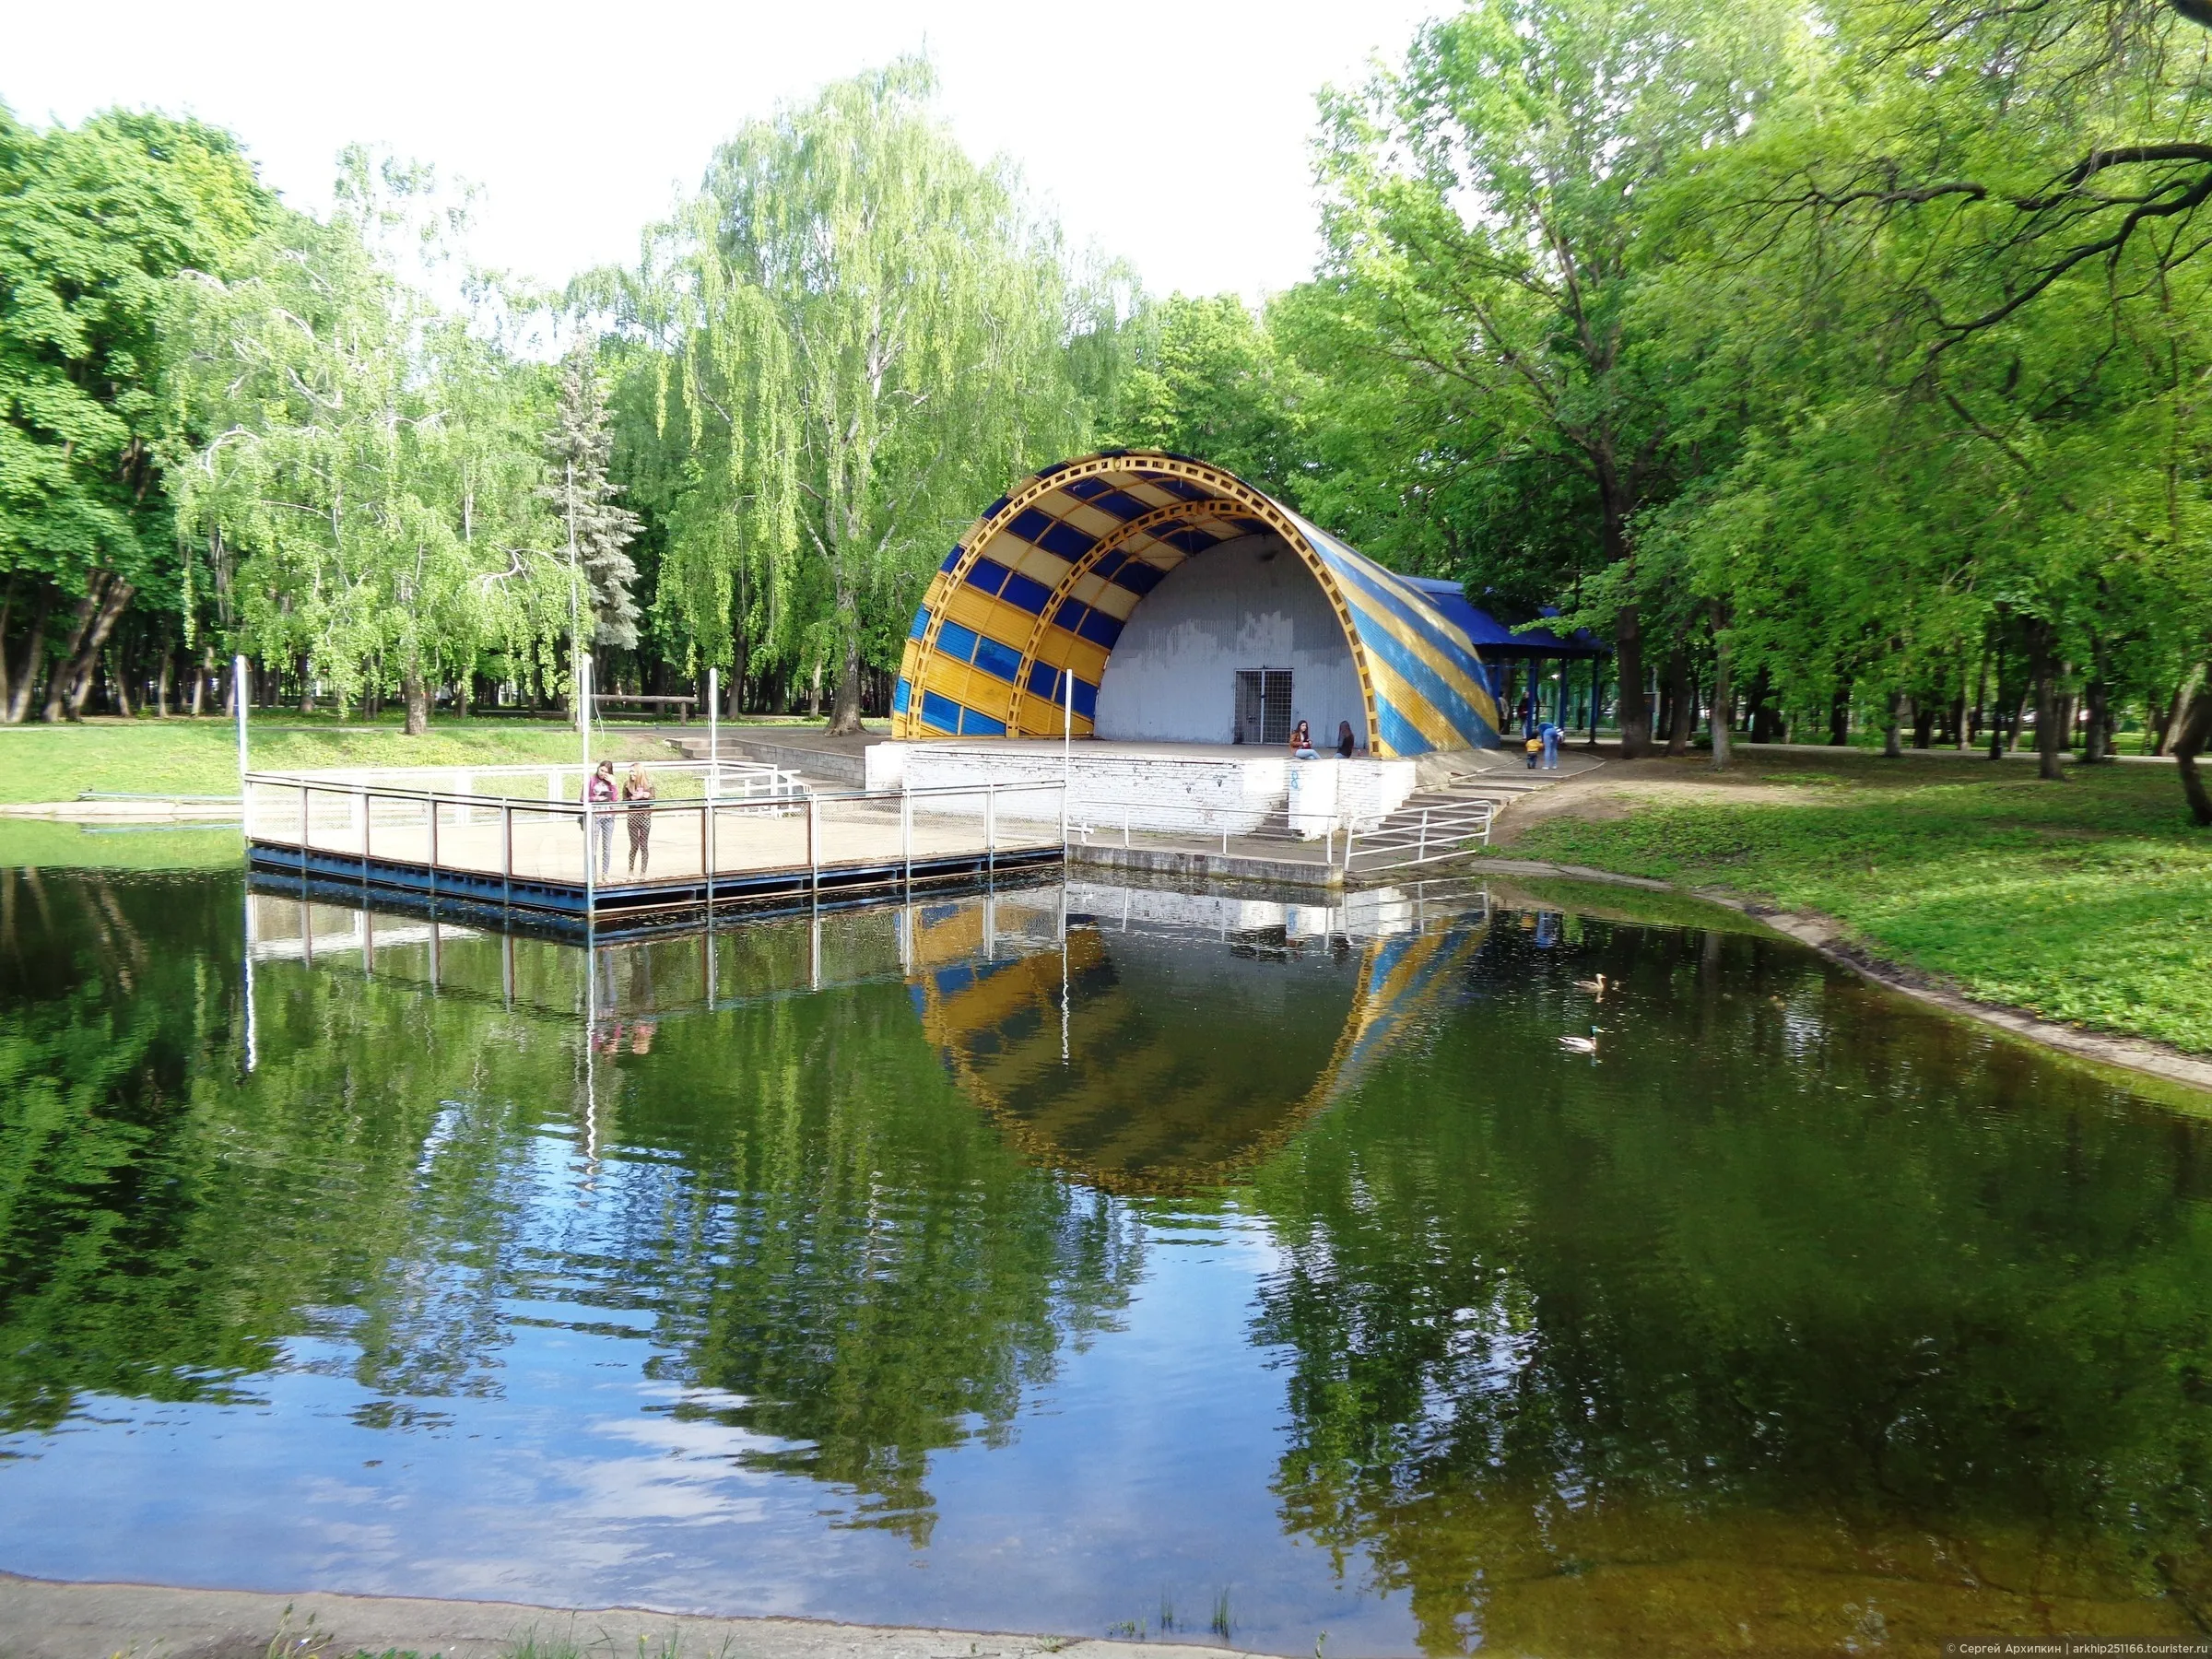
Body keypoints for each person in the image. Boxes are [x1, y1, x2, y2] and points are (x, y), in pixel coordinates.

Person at [622, 761, 656, 876]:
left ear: (639, 772)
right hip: (632, 816)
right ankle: (630, 870)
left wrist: (647, 796)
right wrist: (633, 798)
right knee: (634, 845)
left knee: (644, 845)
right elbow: (623, 801)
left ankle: (643, 872)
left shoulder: (649, 784)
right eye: (630, 771)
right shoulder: (627, 784)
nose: (631, 773)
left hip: (645, 816)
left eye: (633, 771)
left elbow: (654, 801)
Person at [585, 759, 617, 877]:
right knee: (593, 846)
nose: (603, 773)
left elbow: (614, 799)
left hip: (608, 817)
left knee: (607, 847)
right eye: (601, 770)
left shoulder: (610, 782)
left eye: (606, 772)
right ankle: (592, 874)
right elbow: (583, 798)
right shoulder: (591, 780)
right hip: (595, 816)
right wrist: (595, 799)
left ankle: (605, 873)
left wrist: (613, 784)